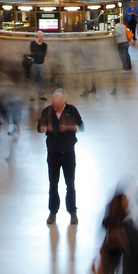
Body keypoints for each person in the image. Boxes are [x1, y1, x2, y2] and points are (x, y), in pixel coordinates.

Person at [38, 88, 84, 224]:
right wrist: (45, 128)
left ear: (64, 101)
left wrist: (68, 127)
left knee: (70, 184)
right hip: (53, 154)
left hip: (68, 153)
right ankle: (52, 212)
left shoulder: (71, 110)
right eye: (53, 102)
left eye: (57, 103)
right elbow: (39, 127)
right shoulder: (47, 111)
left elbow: (81, 125)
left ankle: (72, 212)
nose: (55, 105)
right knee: (53, 184)